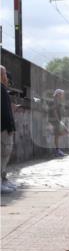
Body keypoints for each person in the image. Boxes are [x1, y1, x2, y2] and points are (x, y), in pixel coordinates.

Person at [1, 66, 17, 194]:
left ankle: (3, 180)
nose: (7, 77)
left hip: (4, 127)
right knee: (3, 154)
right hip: (3, 129)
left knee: (4, 155)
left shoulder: (3, 90)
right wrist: (10, 127)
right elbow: (4, 112)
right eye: (5, 74)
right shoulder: (1, 90)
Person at [49, 89, 67, 157]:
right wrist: (58, 121)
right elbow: (54, 111)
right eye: (61, 94)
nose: (62, 95)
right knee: (58, 134)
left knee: (61, 133)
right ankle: (57, 151)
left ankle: (57, 150)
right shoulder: (55, 101)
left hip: (57, 120)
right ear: (58, 94)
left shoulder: (57, 101)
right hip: (55, 121)